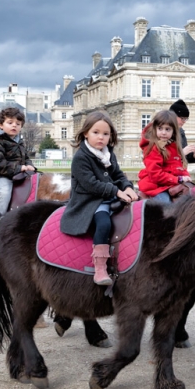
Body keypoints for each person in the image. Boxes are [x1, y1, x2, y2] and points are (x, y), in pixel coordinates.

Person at [60, 111, 139, 286]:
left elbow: (118, 174)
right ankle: (100, 268)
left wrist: (127, 187)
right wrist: (117, 192)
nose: (101, 137)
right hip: (90, 201)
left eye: (105, 133)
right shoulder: (80, 158)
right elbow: (91, 184)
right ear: (86, 133)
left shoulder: (108, 153)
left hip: (109, 197)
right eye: (96, 132)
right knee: (104, 223)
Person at [0, 107, 35, 219]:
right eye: (10, 122)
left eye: (18, 123)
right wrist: (19, 168)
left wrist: (30, 165)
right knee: (4, 191)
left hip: (17, 174)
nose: (14, 125)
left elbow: (25, 157)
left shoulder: (19, 142)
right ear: (1, 125)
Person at [137, 110, 193, 203]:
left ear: (173, 131)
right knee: (167, 207)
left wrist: (186, 176)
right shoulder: (153, 148)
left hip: (169, 184)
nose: (163, 132)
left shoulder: (173, 146)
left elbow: (179, 166)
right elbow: (155, 174)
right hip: (155, 187)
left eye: (167, 129)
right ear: (155, 129)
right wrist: (178, 179)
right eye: (160, 128)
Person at [169, 99, 195, 165]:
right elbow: (160, 159)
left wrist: (194, 156)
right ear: (172, 116)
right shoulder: (160, 132)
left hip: (178, 171)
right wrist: (181, 153)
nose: (184, 121)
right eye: (182, 118)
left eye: (186, 119)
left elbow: (184, 157)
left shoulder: (180, 132)